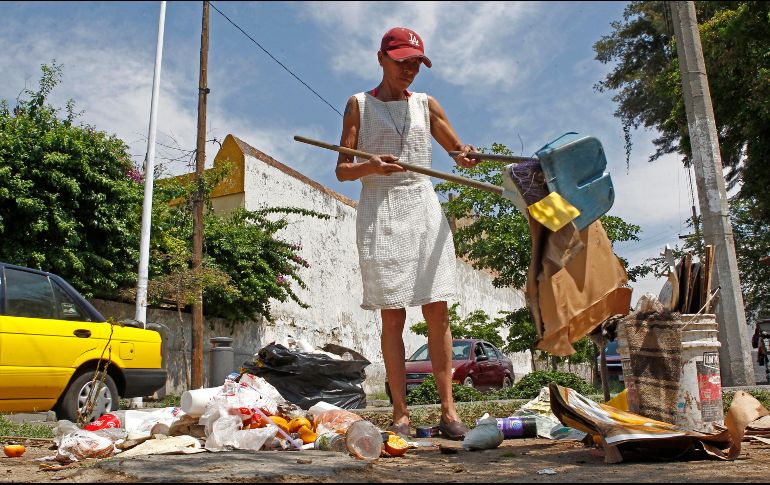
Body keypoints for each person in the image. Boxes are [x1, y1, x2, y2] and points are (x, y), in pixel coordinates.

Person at [335, 27, 477, 440]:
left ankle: (449, 412)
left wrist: (467, 156)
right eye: (401, 62)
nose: (409, 70)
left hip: (422, 206)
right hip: (380, 211)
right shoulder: (358, 105)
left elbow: (458, 152)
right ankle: (401, 413)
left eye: (416, 63)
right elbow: (342, 170)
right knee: (392, 315)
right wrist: (371, 166)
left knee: (438, 312)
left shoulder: (426, 105)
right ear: (381, 58)